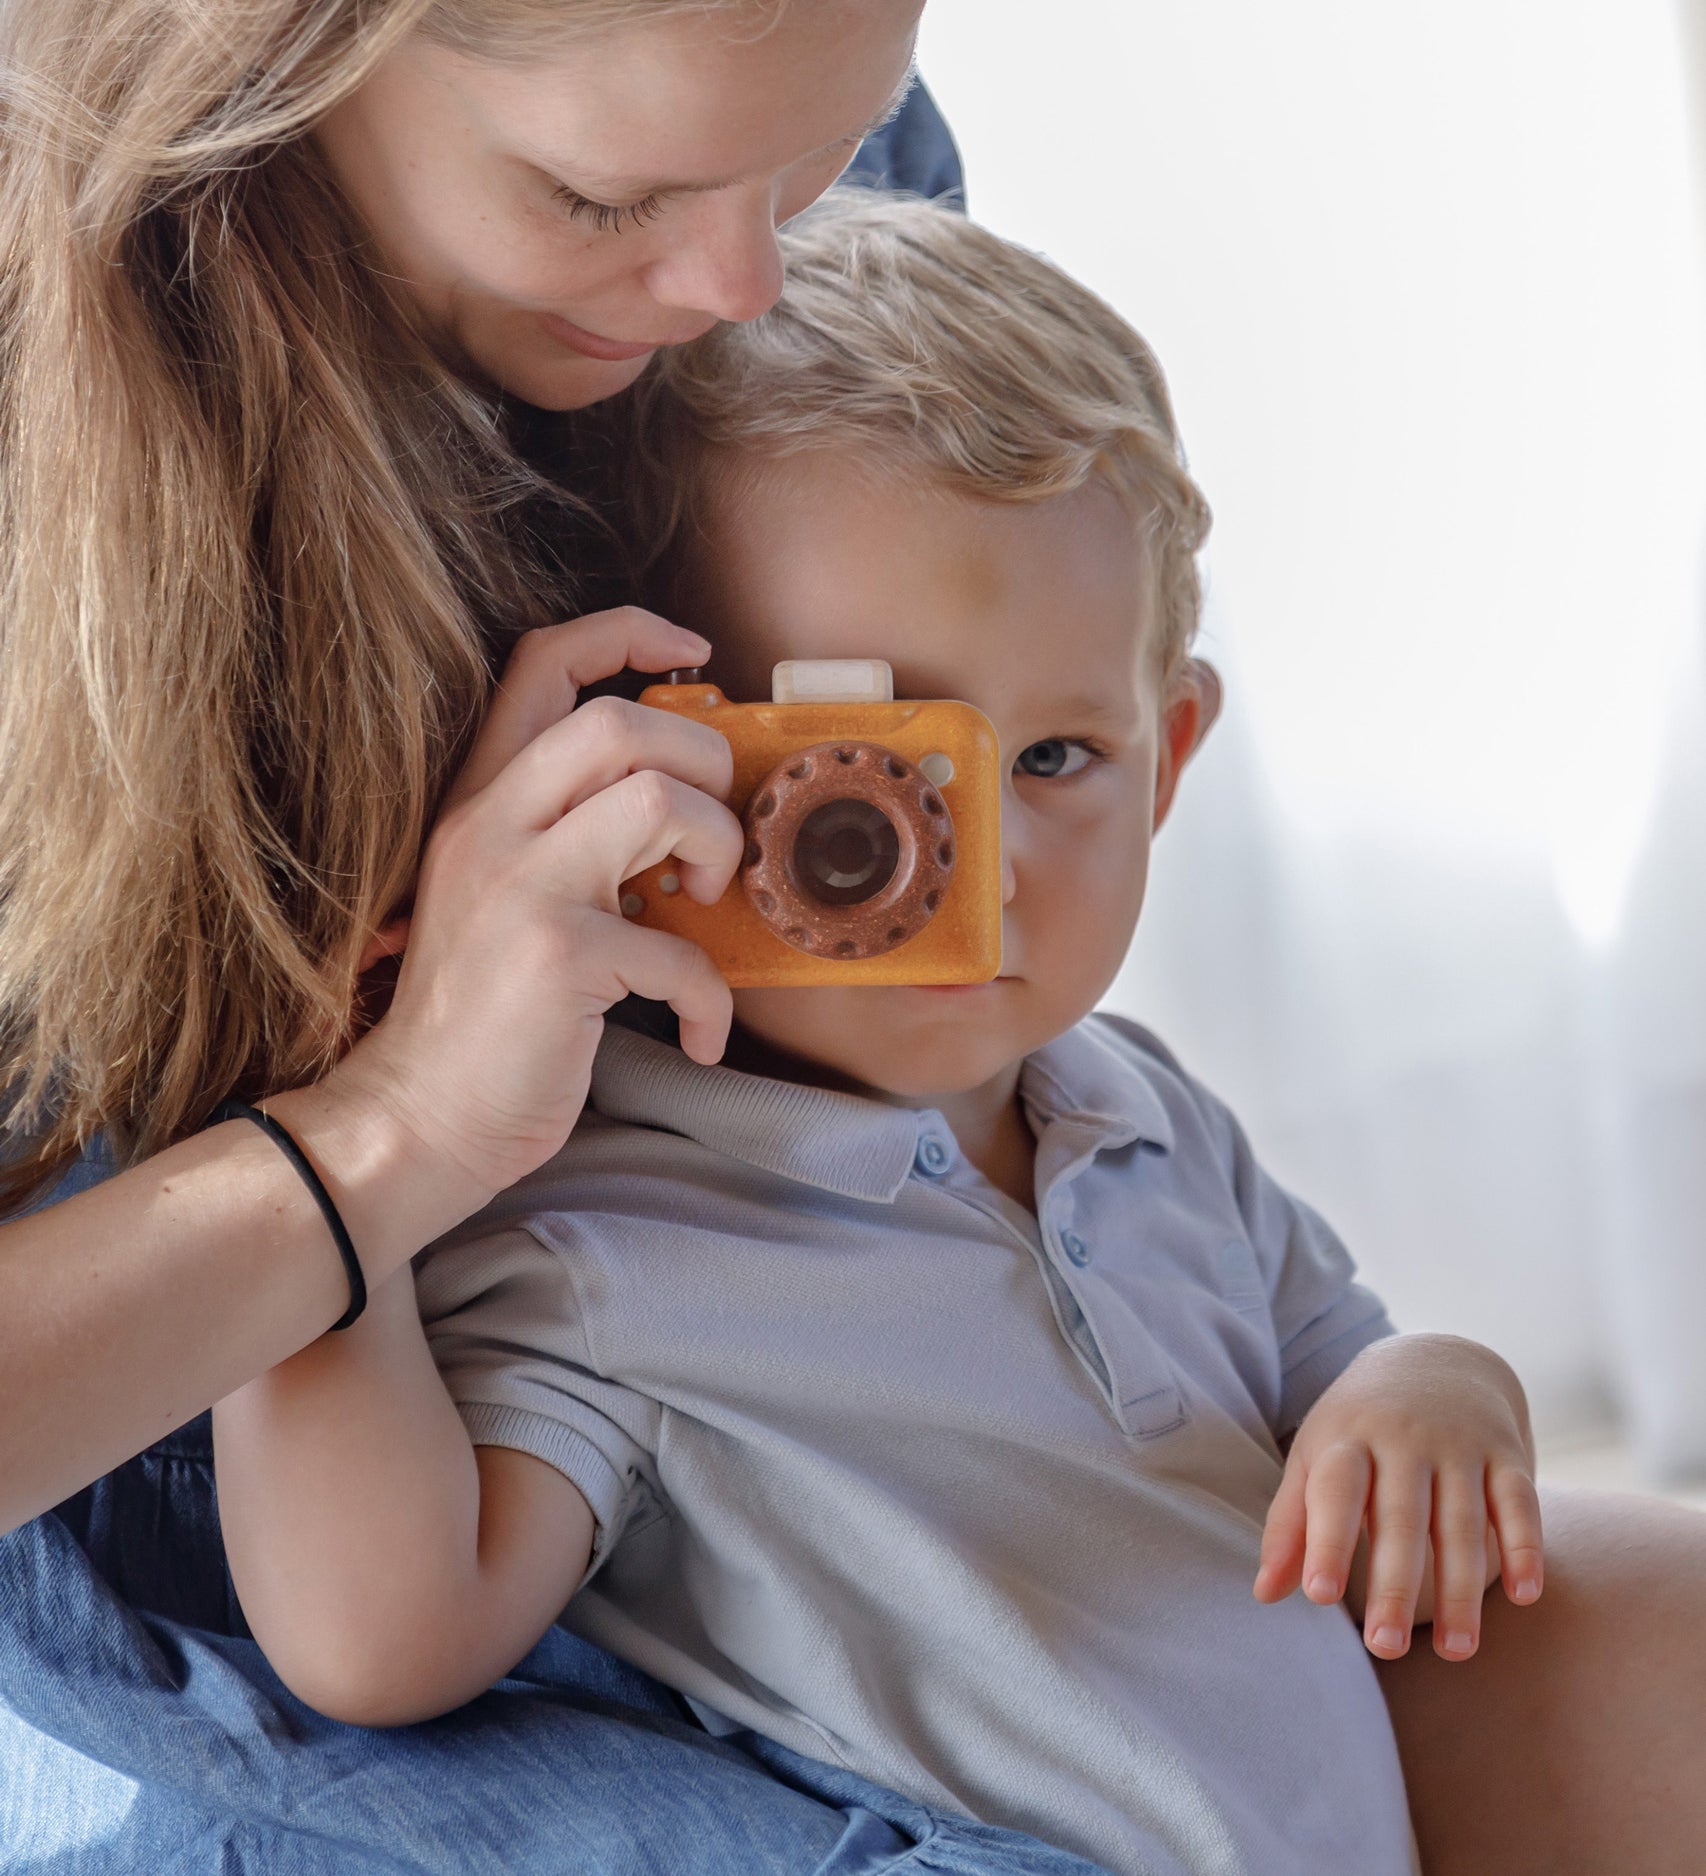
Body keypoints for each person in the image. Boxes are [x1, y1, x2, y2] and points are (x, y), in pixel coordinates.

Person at [0, 4, 1702, 1873]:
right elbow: (377, 1635)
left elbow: (1334, 1349)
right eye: (853, 789)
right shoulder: (615, 1251)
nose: (738, 280)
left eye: (1057, 756)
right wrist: (369, 1162)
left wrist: (1435, 1393)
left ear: (1173, 758)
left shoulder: (1127, 1118)